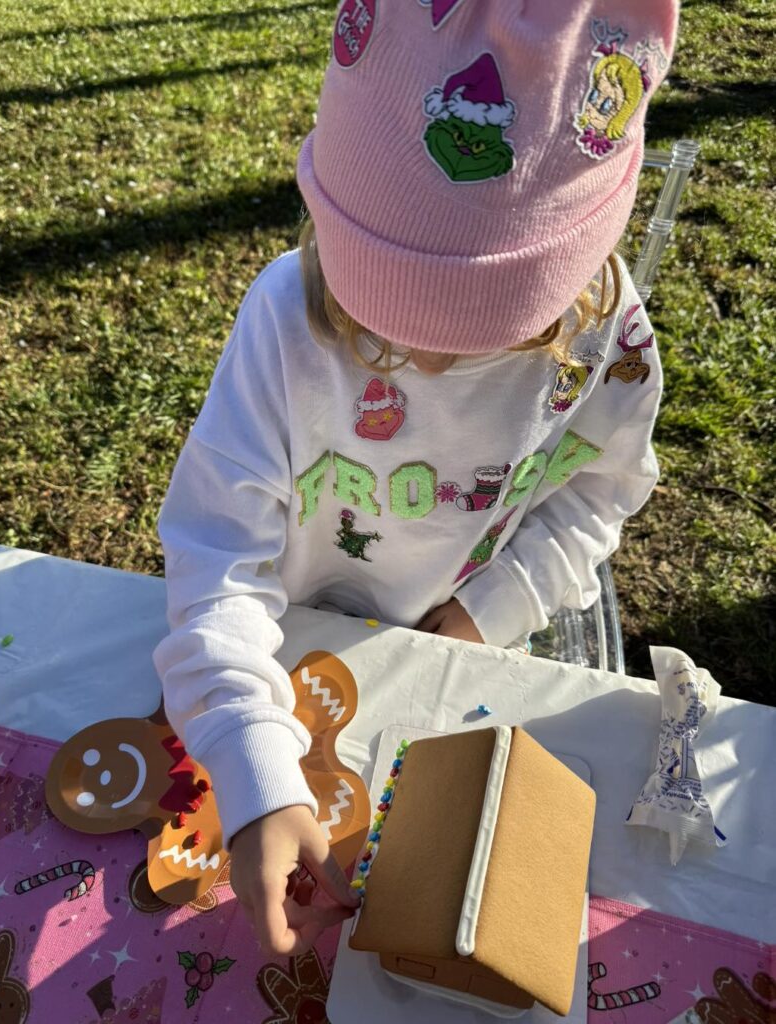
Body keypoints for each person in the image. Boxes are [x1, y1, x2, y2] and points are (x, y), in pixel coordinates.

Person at [154, 0, 678, 958]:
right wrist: (250, 761)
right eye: (375, 314)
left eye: (493, 332)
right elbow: (215, 562)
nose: (417, 364)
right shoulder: (282, 322)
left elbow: (596, 492)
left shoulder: (610, 343)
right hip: (282, 635)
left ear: (578, 274)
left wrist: (496, 606)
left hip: (448, 646)